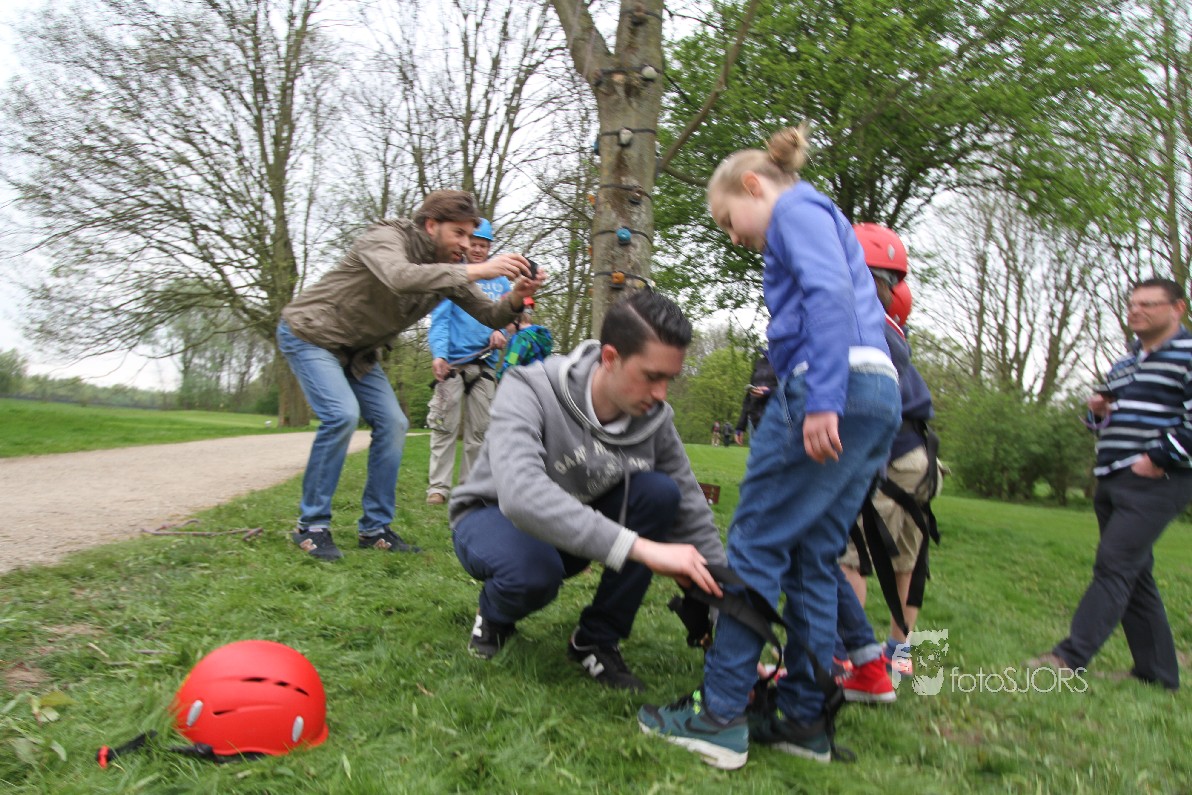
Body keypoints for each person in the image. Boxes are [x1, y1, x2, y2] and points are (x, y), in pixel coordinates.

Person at [639, 125, 900, 770]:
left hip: (831, 384)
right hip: (878, 393)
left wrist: (824, 398)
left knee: (755, 544)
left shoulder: (796, 210)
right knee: (813, 554)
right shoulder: (818, 215)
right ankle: (803, 719)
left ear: (753, 186)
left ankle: (720, 714)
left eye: (729, 220)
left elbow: (828, 294)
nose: (733, 236)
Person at [450, 290, 726, 692]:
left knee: (661, 494)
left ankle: (596, 639)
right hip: (490, 518)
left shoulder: (655, 420)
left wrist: (733, 628)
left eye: (670, 379)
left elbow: (694, 517)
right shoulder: (529, 388)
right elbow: (520, 496)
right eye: (652, 376)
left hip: (572, 532)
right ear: (610, 358)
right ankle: (494, 615)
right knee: (533, 572)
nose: (662, 395)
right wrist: (642, 549)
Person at [277, 191, 541, 562]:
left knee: (394, 423)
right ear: (432, 226)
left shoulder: (450, 269)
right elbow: (399, 276)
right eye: (459, 234)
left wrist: (516, 297)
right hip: (311, 334)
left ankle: (375, 529)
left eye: (471, 236)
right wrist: (481, 269)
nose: (467, 245)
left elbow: (489, 314)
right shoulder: (386, 237)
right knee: (341, 415)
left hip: (357, 353)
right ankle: (312, 526)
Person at [1029, 277, 1192, 690]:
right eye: (1133, 304)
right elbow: (1102, 424)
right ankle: (1158, 673)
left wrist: (1157, 459)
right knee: (1135, 574)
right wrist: (1097, 414)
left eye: (1148, 304)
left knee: (1115, 563)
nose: (1136, 310)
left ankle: (1068, 658)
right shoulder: (1125, 362)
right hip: (1112, 477)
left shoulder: (1188, 354)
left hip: (1159, 479)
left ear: (1178, 308)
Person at [839, 223, 939, 679]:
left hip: (891, 454)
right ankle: (901, 653)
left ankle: (847, 655)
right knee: (906, 557)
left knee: (850, 552)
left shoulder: (863, 327)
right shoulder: (891, 328)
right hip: (920, 456)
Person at [426, 219, 515, 506]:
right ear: (465, 245)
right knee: (444, 426)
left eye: (483, 245)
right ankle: (438, 488)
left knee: (480, 430)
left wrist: (502, 332)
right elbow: (440, 321)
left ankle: (469, 489)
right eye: (473, 244)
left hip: (485, 366)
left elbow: (510, 319)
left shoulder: (501, 282)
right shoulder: (454, 276)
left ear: (489, 248)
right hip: (453, 364)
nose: (477, 249)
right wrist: (439, 354)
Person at [498, 296, 553, 376]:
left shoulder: (521, 338)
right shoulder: (537, 337)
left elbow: (510, 365)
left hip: (522, 382)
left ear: (516, 318)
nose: (503, 326)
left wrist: (499, 377)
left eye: (505, 319)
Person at [735, 351, 777, 445]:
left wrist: (769, 391)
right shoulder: (759, 363)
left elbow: (791, 389)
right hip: (756, 422)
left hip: (778, 422)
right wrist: (740, 427)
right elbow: (748, 397)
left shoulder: (787, 360)